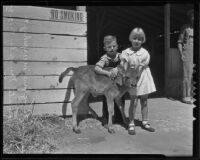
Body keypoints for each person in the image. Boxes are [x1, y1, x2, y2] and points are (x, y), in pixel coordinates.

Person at [120, 27, 156, 135]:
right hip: (132, 77)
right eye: (135, 38)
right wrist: (125, 68)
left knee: (144, 100)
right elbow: (124, 64)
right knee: (133, 100)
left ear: (142, 40)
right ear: (131, 39)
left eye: (140, 39)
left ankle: (145, 122)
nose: (137, 41)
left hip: (143, 76)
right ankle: (131, 123)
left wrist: (137, 69)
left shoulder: (145, 52)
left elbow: (141, 66)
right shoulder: (126, 52)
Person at [94, 35, 124, 124]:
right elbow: (96, 68)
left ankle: (119, 119)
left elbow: (126, 64)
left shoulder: (121, 56)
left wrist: (117, 68)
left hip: (119, 83)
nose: (112, 48)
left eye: (114, 46)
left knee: (120, 100)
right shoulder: (105, 58)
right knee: (107, 100)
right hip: (107, 84)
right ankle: (106, 119)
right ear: (105, 48)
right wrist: (107, 73)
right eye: (109, 47)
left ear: (117, 46)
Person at [177, 9, 194, 104]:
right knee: (187, 75)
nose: (194, 17)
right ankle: (186, 96)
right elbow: (179, 42)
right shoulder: (185, 28)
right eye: (192, 15)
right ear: (189, 17)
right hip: (188, 53)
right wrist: (182, 54)